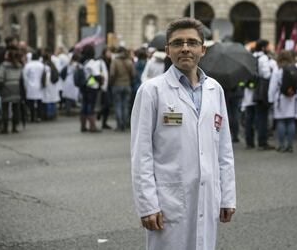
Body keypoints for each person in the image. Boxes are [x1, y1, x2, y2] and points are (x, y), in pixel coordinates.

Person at [131, 18, 236, 250]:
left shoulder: (214, 89)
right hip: (168, 201)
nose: (185, 48)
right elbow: (141, 154)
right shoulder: (151, 91)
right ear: (167, 50)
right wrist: (148, 205)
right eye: (178, 43)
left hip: (207, 197)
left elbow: (224, 149)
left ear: (203, 49)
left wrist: (227, 196)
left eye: (192, 42)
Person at [268, 51, 297, 152]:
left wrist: (270, 99)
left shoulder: (278, 68)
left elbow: (273, 85)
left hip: (280, 97)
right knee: (290, 121)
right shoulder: (293, 67)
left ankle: (281, 145)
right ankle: (290, 145)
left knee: (281, 121)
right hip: (291, 97)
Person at [253, 39, 275, 150]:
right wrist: (271, 71)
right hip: (264, 90)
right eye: (267, 46)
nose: (269, 48)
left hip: (256, 90)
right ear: (263, 48)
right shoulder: (263, 58)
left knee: (259, 116)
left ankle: (258, 140)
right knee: (263, 117)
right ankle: (263, 141)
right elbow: (266, 75)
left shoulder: (254, 56)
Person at [0, 46, 22, 134]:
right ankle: (14, 127)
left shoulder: (4, 65)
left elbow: (0, 78)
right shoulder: (19, 65)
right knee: (15, 109)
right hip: (16, 88)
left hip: (6, 88)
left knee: (5, 108)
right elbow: (20, 78)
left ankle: (5, 128)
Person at [109, 46, 135, 131]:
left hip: (117, 85)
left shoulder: (114, 61)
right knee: (125, 105)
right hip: (127, 85)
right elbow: (133, 74)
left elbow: (112, 74)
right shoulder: (129, 61)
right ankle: (124, 124)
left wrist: (111, 83)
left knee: (118, 105)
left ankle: (119, 124)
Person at [80, 44, 102, 132]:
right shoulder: (93, 63)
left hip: (84, 86)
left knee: (84, 105)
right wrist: (101, 80)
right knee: (91, 106)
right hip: (92, 86)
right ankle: (92, 126)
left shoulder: (83, 62)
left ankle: (83, 126)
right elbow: (97, 75)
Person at [22, 49, 44, 122]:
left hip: (30, 86)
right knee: (39, 102)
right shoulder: (41, 65)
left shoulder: (28, 65)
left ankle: (32, 117)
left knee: (31, 102)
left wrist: (26, 85)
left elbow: (25, 76)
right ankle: (39, 117)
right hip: (39, 86)